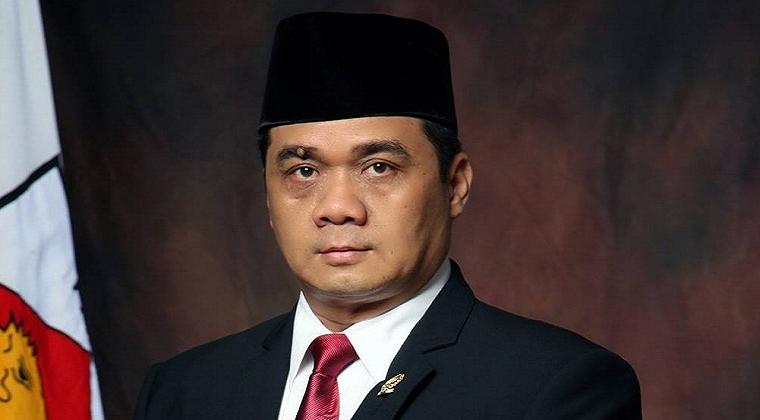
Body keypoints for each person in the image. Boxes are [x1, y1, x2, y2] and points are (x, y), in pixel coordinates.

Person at [134, 12, 641, 420]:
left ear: (455, 185)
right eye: (304, 171)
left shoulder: (554, 387)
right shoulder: (182, 390)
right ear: (268, 196)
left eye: (379, 167)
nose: (337, 209)